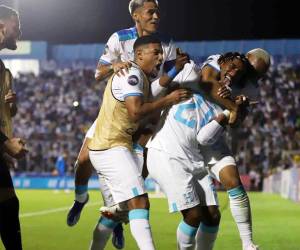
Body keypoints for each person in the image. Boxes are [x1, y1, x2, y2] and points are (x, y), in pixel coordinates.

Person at [88, 35, 190, 250]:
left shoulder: (140, 76)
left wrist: (175, 70)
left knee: (123, 208)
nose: (161, 57)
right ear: (139, 55)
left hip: (116, 146)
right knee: (140, 201)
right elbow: (136, 112)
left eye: (161, 53)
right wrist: (169, 100)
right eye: (156, 53)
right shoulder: (131, 74)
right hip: (110, 146)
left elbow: (153, 92)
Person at [146, 52, 250, 250]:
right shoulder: (192, 76)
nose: (233, 72)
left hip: (193, 158)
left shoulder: (222, 105)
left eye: (239, 72)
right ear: (221, 63)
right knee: (193, 215)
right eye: (232, 66)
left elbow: (205, 137)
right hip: (166, 153)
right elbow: (201, 75)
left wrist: (230, 110)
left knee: (212, 216)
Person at [195, 48, 271, 250]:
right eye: (249, 69)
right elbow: (207, 81)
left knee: (234, 183)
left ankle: (248, 244)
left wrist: (240, 108)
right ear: (244, 59)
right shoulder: (223, 60)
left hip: (214, 133)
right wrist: (232, 105)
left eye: (256, 75)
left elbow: (235, 123)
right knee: (197, 215)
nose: (249, 76)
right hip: (187, 130)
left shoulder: (251, 89)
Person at [0, 5, 28, 250]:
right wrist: (5, 142)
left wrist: (12, 107)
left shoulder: (2, 69)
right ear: (1, 27)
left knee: (9, 205)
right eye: (16, 26)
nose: (19, 32)